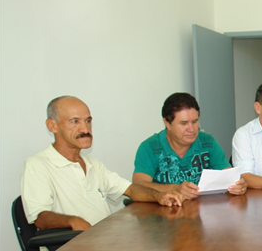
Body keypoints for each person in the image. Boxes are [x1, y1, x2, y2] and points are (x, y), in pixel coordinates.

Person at [21, 96, 182, 232]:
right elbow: (40, 218)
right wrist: (73, 221)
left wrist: (158, 196)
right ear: (52, 126)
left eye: (88, 121)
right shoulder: (37, 165)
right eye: (74, 121)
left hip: (103, 240)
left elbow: (130, 189)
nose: (85, 128)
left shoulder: (92, 163)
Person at [133, 93, 246, 199]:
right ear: (167, 123)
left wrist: (238, 184)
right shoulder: (150, 147)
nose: (192, 129)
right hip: (163, 212)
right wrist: (175, 188)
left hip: (202, 211)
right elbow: (139, 186)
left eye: (195, 122)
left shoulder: (207, 142)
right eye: (184, 123)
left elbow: (228, 176)